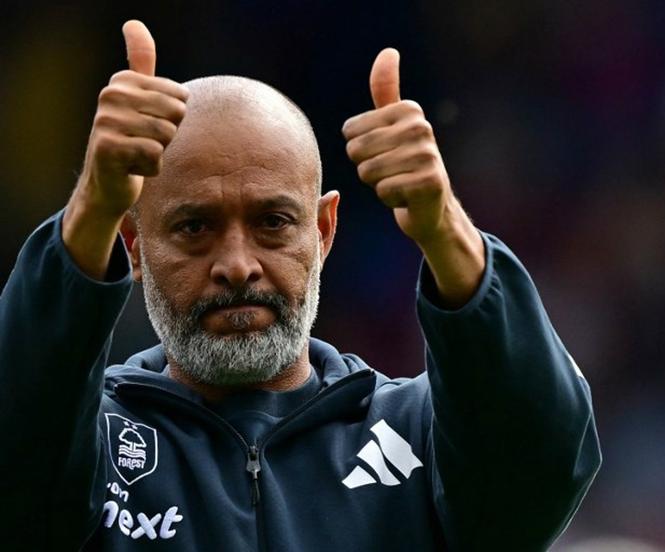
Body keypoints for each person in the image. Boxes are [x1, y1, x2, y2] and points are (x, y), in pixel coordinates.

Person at [0, 20, 600, 551]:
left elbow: (543, 468)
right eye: (194, 227)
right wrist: (92, 210)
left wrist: (445, 228)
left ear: (323, 231)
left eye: (272, 223)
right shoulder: (92, 445)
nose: (237, 264)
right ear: (133, 246)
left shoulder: (419, 437)